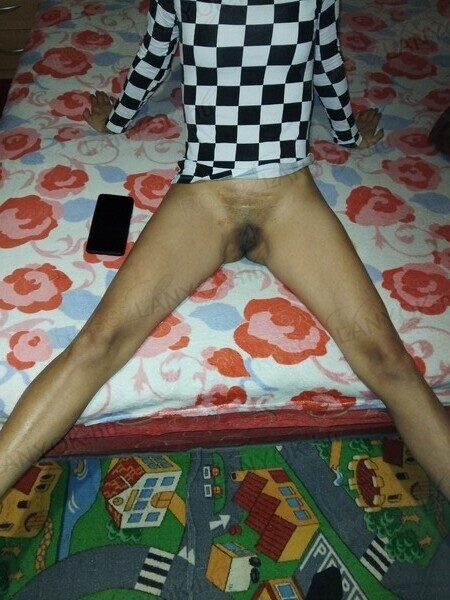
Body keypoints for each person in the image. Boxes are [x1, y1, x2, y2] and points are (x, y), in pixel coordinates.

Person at [1, 0, 449, 501]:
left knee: (388, 358)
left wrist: (348, 132)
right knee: (98, 343)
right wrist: (117, 120)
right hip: (205, 194)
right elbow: (155, 57)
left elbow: (326, 60)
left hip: (288, 197)